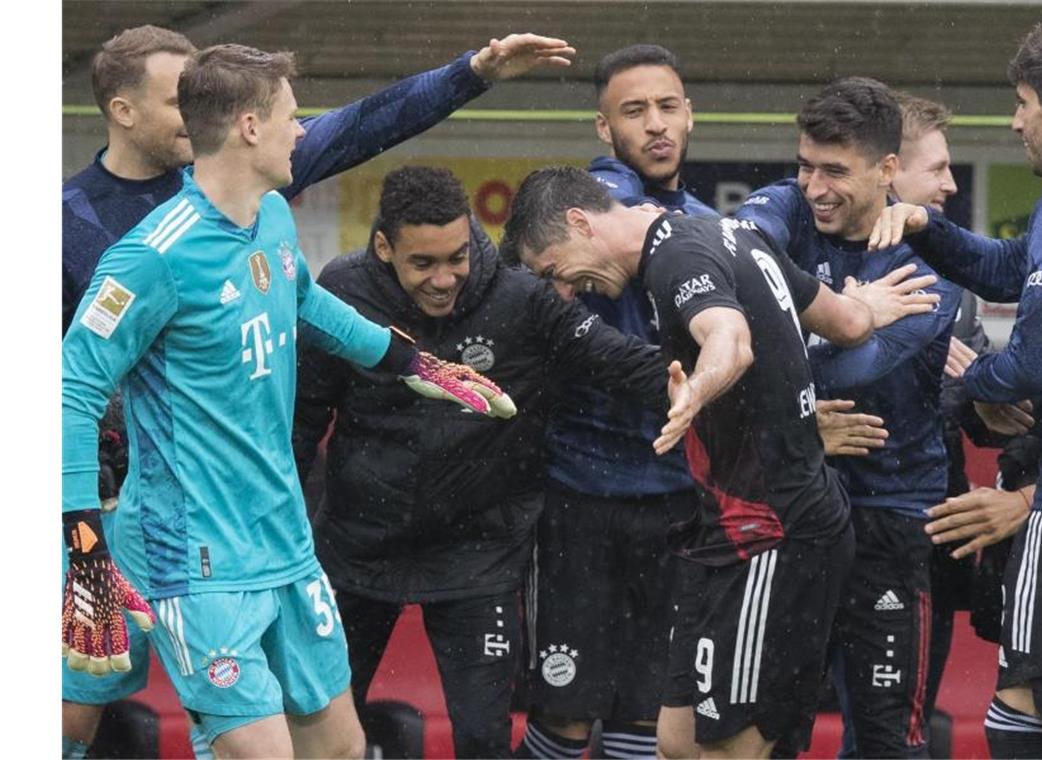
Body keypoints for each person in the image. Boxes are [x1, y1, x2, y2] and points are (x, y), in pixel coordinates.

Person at [60, 24, 573, 759]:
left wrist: (416, 365)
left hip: (285, 540)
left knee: (336, 748)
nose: (302, 131)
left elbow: (306, 299)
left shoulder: (268, 215)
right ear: (247, 127)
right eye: (290, 116)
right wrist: (83, 551)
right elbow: (70, 393)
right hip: (194, 553)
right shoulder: (147, 259)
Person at [501, 165, 940, 759]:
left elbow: (729, 339)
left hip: (776, 533)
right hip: (726, 535)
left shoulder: (675, 257)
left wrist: (695, 393)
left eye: (554, 268)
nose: (566, 287)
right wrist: (866, 307)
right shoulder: (730, 234)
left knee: (728, 751)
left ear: (580, 223)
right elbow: (847, 322)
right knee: (678, 743)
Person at [292, 165, 671, 758]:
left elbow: (624, 364)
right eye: (424, 264)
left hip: (478, 559)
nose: (445, 280)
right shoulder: (343, 292)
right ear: (384, 247)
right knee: (319, 735)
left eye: (457, 257)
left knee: (482, 742)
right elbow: (300, 419)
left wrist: (745, 393)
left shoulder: (521, 298)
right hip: (356, 552)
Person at [734, 76, 962, 758]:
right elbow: (732, 268)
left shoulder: (932, 258)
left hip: (890, 519)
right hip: (793, 509)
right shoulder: (781, 207)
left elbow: (853, 373)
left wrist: (793, 333)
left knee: (887, 739)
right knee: (765, 730)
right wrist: (850, 313)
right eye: (806, 165)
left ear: (887, 171)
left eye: (835, 171)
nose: (814, 186)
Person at [869, 21, 1042, 757]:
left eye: (1022, 102)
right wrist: (928, 228)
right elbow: (1000, 270)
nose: (1015, 121)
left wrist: (969, 384)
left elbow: (1034, 361)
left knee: (1023, 709)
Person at [520, 44, 711, 760]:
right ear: (604, 129)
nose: (656, 125)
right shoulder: (592, 205)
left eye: (667, 106)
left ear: (689, 113)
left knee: (647, 716)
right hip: (581, 498)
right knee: (566, 716)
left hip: (677, 497)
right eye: (635, 112)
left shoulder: (698, 221)